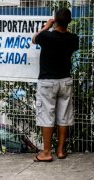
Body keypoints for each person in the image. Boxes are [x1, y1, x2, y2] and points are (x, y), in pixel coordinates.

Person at [32, 8, 79, 162]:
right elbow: (68, 38)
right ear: (69, 22)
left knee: (47, 115)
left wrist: (47, 26)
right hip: (65, 80)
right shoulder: (73, 39)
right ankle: (60, 150)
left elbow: (34, 39)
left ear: (55, 20)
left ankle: (46, 152)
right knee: (63, 116)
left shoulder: (46, 36)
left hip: (47, 82)